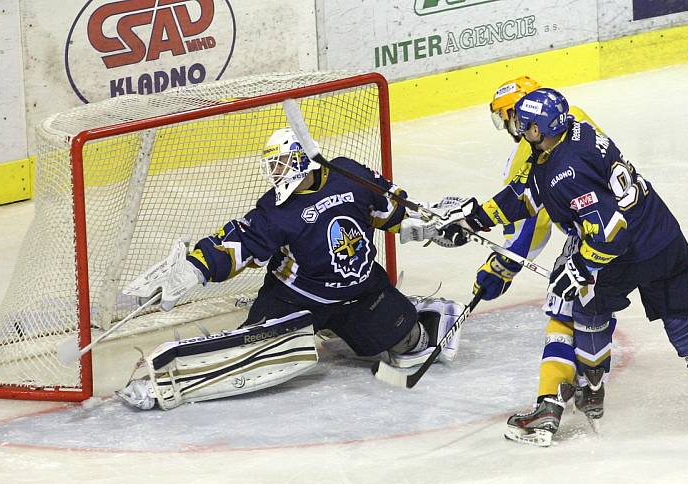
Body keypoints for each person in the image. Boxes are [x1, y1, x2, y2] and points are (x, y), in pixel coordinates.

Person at [439, 87, 688, 447]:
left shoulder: (565, 172)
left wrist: (578, 267)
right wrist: (474, 219)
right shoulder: (577, 132)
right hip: (666, 239)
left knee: (587, 310)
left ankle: (591, 388)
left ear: (541, 130)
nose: (523, 133)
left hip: (626, 253)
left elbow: (611, 234)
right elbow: (527, 194)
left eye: (528, 128)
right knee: (686, 328)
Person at [116, 127, 464, 410]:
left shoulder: (351, 175)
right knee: (253, 351)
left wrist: (433, 224)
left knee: (409, 345)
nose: (277, 173)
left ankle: (424, 313)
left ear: (302, 159)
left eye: (283, 164)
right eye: (274, 167)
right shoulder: (275, 211)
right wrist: (194, 268)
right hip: (297, 299)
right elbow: (238, 243)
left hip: (360, 293)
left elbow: (393, 211)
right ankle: (168, 383)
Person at [408, 76, 607, 446]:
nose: (510, 129)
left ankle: (551, 405)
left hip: (592, 239)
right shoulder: (574, 119)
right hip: (623, 227)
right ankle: (591, 386)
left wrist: (500, 267)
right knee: (594, 309)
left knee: (564, 312)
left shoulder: (535, 151)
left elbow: (532, 219)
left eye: (508, 119)